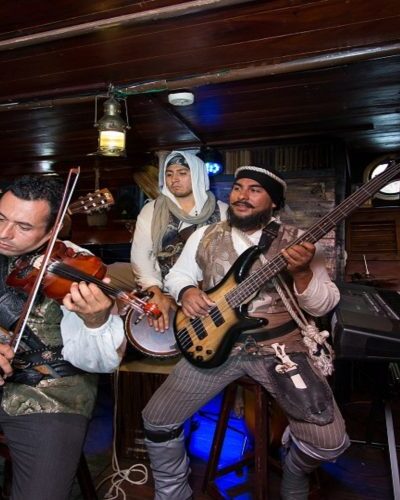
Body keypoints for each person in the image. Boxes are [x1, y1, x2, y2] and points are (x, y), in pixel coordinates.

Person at [142, 165, 350, 500]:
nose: (242, 195)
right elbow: (178, 275)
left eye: (255, 190)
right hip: (213, 344)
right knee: (156, 420)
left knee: (329, 444)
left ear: (274, 204)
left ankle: (294, 470)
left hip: (279, 348)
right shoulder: (205, 234)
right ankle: (172, 491)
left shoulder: (300, 244)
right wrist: (186, 292)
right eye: (238, 188)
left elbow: (322, 306)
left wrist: (301, 275)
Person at [0, 176, 125, 500]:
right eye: (0, 218)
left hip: (49, 391)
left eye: (23, 227)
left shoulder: (74, 266)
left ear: (52, 229)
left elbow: (98, 362)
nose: (4, 233)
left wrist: (96, 320)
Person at [131, 150, 228, 332]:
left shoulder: (223, 212)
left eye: (182, 173)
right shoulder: (151, 210)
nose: (174, 179)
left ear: (198, 175)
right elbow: (141, 256)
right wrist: (155, 292)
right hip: (165, 289)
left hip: (212, 295)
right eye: (169, 174)